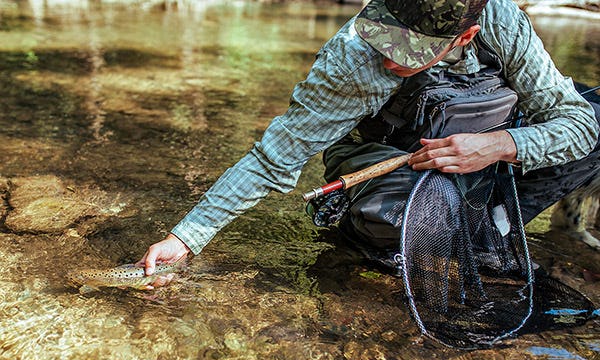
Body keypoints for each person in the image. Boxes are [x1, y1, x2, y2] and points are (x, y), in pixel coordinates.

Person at [138, 0, 600, 288]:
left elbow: (577, 124)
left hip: (490, 145)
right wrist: (187, 236)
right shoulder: (353, 58)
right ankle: (457, 230)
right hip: (388, 156)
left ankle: (498, 227)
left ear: (466, 36)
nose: (391, 59)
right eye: (386, 41)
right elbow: (274, 156)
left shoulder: (502, 22)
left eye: (411, 52)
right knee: (408, 219)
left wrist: (501, 143)